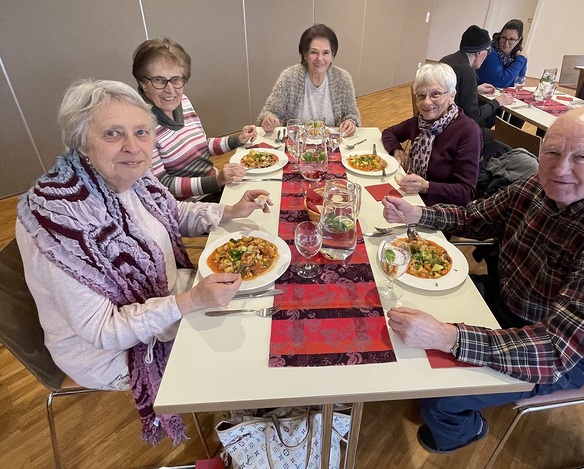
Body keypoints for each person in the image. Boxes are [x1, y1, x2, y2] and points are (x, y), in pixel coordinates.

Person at [380, 106, 584, 454]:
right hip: (503, 303)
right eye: (551, 151)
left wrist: (448, 336)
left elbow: (557, 348)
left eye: (582, 156)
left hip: (565, 352)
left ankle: (464, 431)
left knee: (444, 397)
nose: (560, 168)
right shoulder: (538, 185)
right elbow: (475, 216)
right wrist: (418, 213)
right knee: (403, 308)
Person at [15, 79, 272, 444]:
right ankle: (249, 428)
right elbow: (103, 331)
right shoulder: (58, 219)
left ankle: (254, 414)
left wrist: (228, 211)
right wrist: (191, 301)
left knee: (258, 305)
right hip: (109, 349)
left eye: (141, 132)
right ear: (81, 142)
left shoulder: (132, 178)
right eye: (112, 133)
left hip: (168, 295)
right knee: (244, 342)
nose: (133, 147)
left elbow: (171, 213)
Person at [132, 37, 257, 201]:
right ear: (143, 83)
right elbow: (163, 184)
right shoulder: (140, 126)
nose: (170, 90)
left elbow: (201, 146)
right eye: (159, 80)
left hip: (214, 188)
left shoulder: (183, 102)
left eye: (176, 79)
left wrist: (237, 140)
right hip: (190, 206)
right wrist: (216, 181)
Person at [381, 62, 482, 206]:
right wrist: (397, 151)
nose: (426, 102)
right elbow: (389, 133)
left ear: (451, 96)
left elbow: (465, 192)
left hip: (441, 210)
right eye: (421, 96)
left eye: (436, 94)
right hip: (411, 197)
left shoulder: (468, 131)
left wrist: (426, 186)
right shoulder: (420, 121)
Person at [258, 24, 361, 137]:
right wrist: (268, 119)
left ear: (332, 56)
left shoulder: (343, 79)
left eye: (326, 53)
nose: (320, 59)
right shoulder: (289, 77)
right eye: (314, 52)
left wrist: (350, 122)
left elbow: (352, 115)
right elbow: (270, 112)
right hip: (297, 145)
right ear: (305, 55)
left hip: (331, 146)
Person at [440, 25, 514, 129]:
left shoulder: (446, 60)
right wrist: (499, 101)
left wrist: (475, 89)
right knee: (500, 138)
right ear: (479, 53)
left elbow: (453, 92)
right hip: (454, 129)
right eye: (488, 52)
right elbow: (473, 115)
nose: (487, 55)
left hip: (438, 120)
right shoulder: (467, 72)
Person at [477, 19, 527, 89]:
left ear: (519, 40)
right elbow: (500, 82)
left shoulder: (519, 54)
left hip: (504, 96)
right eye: (503, 38)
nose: (506, 43)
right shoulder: (489, 51)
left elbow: (519, 82)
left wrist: (521, 59)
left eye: (512, 39)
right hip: (483, 97)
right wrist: (521, 60)